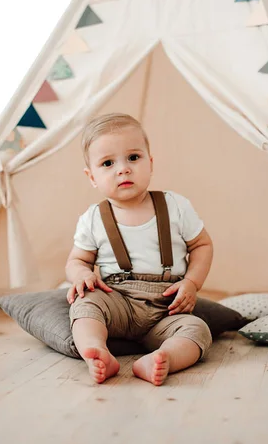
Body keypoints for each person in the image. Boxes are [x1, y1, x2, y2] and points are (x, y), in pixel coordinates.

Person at [65, 113, 214, 386]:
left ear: (150, 162)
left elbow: (202, 245)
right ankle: (97, 351)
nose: (123, 169)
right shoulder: (93, 218)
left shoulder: (176, 206)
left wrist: (192, 283)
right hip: (117, 301)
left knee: (197, 329)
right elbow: (77, 260)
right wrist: (80, 276)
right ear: (92, 177)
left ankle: (163, 357)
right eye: (108, 163)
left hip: (167, 307)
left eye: (133, 158)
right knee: (84, 304)